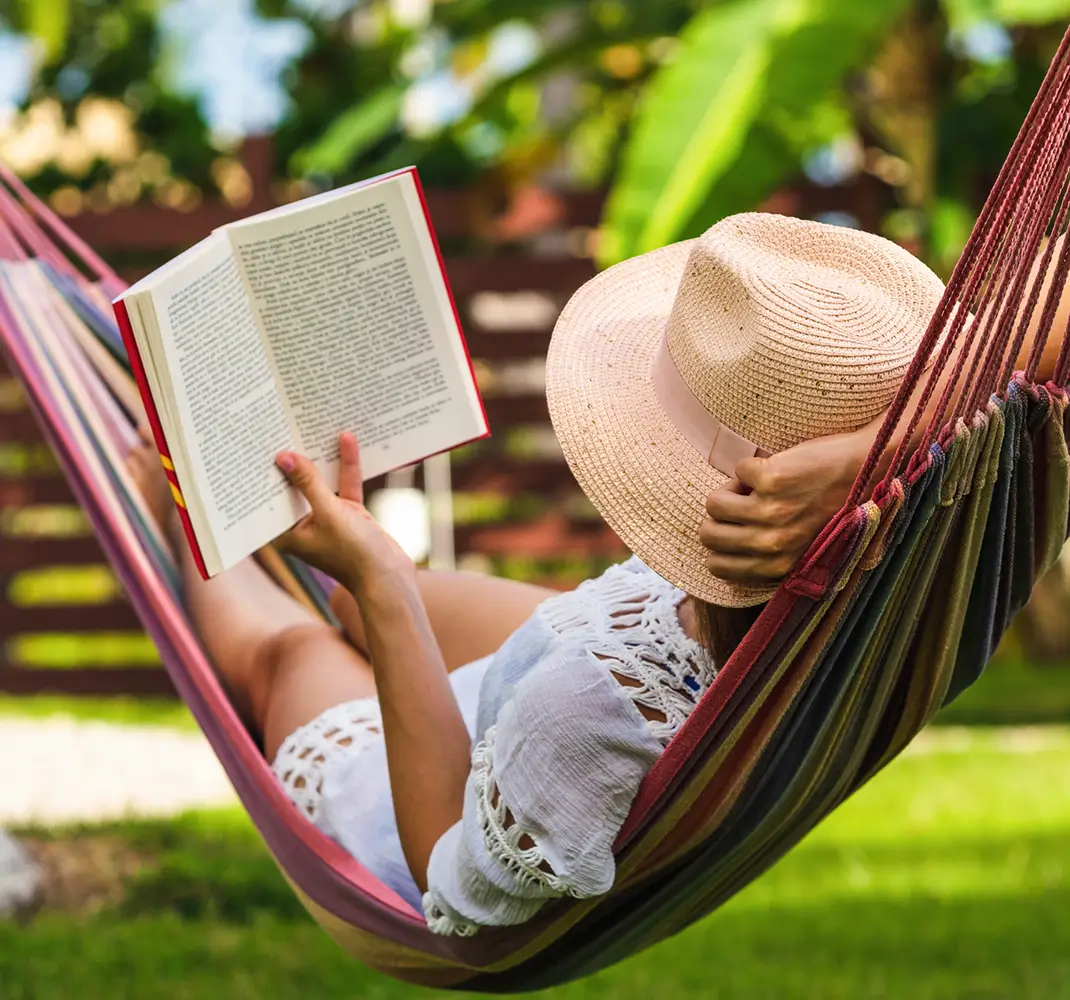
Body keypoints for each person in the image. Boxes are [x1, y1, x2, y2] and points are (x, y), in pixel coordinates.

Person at [126, 213, 1066, 936]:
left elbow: (445, 879)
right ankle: (337, 567)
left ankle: (181, 506)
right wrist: (879, 452)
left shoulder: (584, 719)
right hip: (636, 636)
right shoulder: (928, 557)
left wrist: (378, 583)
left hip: (447, 788)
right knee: (359, 594)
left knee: (295, 647)